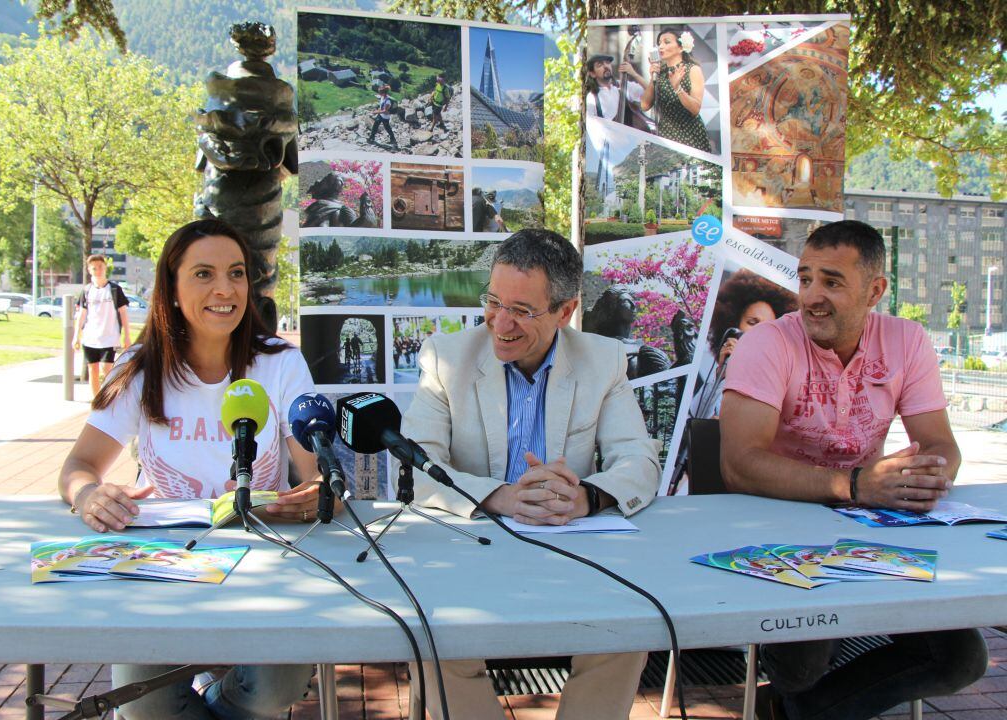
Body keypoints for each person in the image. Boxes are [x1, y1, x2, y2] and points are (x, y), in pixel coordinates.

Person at [58, 218, 333, 720]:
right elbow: (78, 466)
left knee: (276, 689)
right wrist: (87, 496)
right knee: (144, 707)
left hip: (263, 560)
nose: (224, 289)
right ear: (172, 285)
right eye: (203, 274)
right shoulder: (138, 367)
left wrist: (317, 492)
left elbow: (314, 472)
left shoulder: (281, 364)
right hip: (164, 563)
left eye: (236, 273)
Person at [719, 220, 988, 719]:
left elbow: (939, 444)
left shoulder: (907, 341)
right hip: (778, 532)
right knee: (804, 666)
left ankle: (792, 712)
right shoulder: (767, 344)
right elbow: (740, 466)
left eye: (832, 281)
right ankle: (796, 701)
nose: (811, 297)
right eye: (805, 279)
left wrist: (925, 475)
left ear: (876, 290)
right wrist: (856, 484)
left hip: (870, 530)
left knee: (962, 660)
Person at [401, 228, 661, 720]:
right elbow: (415, 465)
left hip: (573, 549)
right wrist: (500, 496)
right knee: (432, 633)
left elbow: (639, 460)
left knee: (630, 630)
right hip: (470, 551)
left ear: (565, 311)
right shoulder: (446, 356)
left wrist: (586, 495)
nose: (501, 323)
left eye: (522, 310)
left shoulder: (603, 360)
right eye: (494, 301)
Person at [692, 269, 797, 418]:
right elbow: (695, 417)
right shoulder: (721, 371)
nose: (760, 331)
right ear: (735, 325)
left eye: (769, 327)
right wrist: (722, 374)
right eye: (752, 322)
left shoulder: (778, 382)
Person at [639, 27, 712, 153]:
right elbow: (644, 106)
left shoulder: (692, 69)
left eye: (666, 42)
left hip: (690, 135)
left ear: (681, 47)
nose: (661, 47)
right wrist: (653, 79)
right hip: (666, 134)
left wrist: (677, 88)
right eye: (659, 43)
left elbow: (695, 109)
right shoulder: (660, 72)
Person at [73, 254, 131, 397]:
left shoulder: (115, 290)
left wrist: (127, 337)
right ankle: (96, 400)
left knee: (107, 369)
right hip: (90, 338)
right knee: (93, 369)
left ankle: (109, 398)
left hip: (109, 337)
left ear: (105, 268)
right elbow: (82, 314)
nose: (97, 270)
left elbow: (123, 313)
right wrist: (76, 336)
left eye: (100, 267)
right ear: (89, 270)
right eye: (94, 268)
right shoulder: (86, 291)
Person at [585, 53, 648, 122]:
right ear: (593, 74)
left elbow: (649, 91)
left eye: (607, 63)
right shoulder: (592, 97)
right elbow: (591, 126)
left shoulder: (622, 85)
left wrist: (633, 73)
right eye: (600, 65)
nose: (606, 66)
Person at [367, 84, 398, 150]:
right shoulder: (382, 97)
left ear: (383, 93)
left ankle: (393, 139)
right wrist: (377, 111)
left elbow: (385, 111)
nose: (378, 93)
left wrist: (376, 112)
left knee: (387, 128)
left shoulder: (388, 101)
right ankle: (371, 138)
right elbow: (381, 107)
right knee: (375, 125)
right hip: (380, 115)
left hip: (385, 117)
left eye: (379, 92)